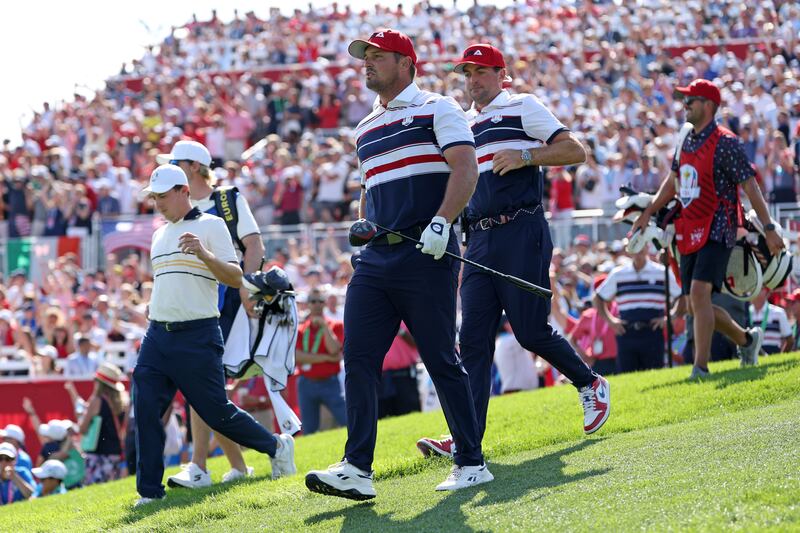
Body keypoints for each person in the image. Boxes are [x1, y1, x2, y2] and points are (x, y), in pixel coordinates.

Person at [305, 29, 490, 500]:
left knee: (440, 359)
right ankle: (357, 469)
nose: (367, 63)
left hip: (427, 254)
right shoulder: (364, 127)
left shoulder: (437, 107)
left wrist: (442, 223)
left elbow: (465, 169)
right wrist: (363, 225)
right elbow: (371, 191)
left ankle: (471, 461)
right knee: (359, 359)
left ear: (406, 62)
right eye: (364, 57)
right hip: (375, 260)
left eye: (377, 57)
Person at [416, 44, 610, 461]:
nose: (473, 80)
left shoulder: (522, 105)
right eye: (467, 73)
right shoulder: (461, 122)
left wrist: (525, 155)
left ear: (501, 74)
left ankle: (589, 382)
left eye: (481, 72)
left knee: (529, 330)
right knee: (472, 341)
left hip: (521, 227)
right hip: (479, 239)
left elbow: (574, 150)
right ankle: (467, 439)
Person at [132, 164, 295, 506]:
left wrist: (204, 254)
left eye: (163, 196)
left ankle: (276, 446)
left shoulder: (212, 225)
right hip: (157, 335)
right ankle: (149, 491)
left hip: (198, 334)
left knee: (215, 412)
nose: (158, 203)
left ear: (183, 192)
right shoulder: (159, 234)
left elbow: (236, 277)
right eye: (154, 197)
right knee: (145, 408)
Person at [630, 79, 785, 379]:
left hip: (718, 227)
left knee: (699, 294)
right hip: (688, 228)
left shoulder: (726, 141)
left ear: (709, 105)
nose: (685, 105)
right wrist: (647, 212)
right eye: (685, 100)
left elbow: (750, 186)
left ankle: (700, 368)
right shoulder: (686, 139)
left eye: (691, 100)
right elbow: (673, 182)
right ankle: (747, 340)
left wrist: (768, 227)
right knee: (692, 303)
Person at [157, 140, 267, 489]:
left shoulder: (228, 199)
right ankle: (236, 464)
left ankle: (200, 465)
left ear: (191, 167)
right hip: (192, 298)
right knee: (206, 384)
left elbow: (253, 245)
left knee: (202, 383)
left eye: (175, 163)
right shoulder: (174, 208)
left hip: (225, 296)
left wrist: (246, 289)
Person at [593, 247, 681, 373]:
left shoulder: (661, 272)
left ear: (646, 248)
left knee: (654, 377)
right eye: (634, 246)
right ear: (629, 250)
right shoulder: (618, 273)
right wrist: (611, 321)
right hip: (627, 331)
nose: (638, 250)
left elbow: (681, 297)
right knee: (627, 377)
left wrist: (670, 317)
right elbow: (598, 298)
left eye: (641, 246)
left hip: (652, 331)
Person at [295, 287, 347, 435]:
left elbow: (334, 350)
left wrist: (324, 327)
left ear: (324, 304)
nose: (317, 304)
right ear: (308, 304)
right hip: (306, 383)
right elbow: (297, 357)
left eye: (320, 301)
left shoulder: (336, 325)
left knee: (347, 420)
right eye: (313, 301)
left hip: (329, 382)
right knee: (309, 430)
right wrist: (325, 358)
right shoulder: (301, 329)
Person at [67, 363, 128, 485]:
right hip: (115, 454)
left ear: (99, 382)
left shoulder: (96, 400)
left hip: (98, 455)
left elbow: (83, 429)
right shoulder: (123, 402)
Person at [378, 322, 421, 418]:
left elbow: (419, 342)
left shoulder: (406, 317)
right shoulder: (374, 318)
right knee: (384, 420)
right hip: (381, 378)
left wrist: (400, 331)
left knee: (410, 415)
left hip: (404, 377)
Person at [748, 288, 793, 356]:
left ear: (767, 293)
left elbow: (790, 340)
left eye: (759, 288)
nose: (754, 291)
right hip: (750, 357)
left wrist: (781, 358)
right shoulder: (746, 313)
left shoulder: (778, 312)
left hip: (773, 355)